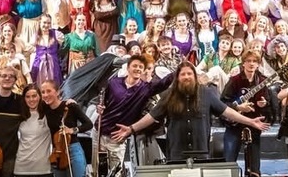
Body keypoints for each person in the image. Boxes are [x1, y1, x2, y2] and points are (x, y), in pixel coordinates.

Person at [114, 62, 268, 162]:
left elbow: (227, 111)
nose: (186, 77)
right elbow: (152, 116)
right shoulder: (168, 96)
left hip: (201, 153)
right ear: (178, 78)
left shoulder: (206, 93)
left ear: (194, 76)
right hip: (176, 155)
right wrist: (131, 128)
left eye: (189, 74)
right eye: (183, 74)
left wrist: (250, 121)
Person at [94, 55, 176, 177]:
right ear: (128, 67)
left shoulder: (145, 88)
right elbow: (102, 101)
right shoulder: (114, 83)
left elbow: (164, 83)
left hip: (119, 136)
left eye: (141, 67)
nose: (138, 69)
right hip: (99, 132)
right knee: (93, 176)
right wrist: (99, 107)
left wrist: (179, 69)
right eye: (135, 66)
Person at [220, 51, 274, 177]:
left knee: (255, 166)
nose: (251, 64)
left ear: (258, 64)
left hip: (254, 126)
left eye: (254, 61)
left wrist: (265, 105)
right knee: (229, 162)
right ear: (243, 63)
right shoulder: (235, 81)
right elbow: (222, 104)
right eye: (248, 61)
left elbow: (269, 110)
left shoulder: (262, 81)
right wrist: (238, 108)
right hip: (234, 127)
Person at [40, 80, 93, 177]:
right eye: (43, 92)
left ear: (57, 92)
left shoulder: (70, 106)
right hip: (57, 153)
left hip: (73, 150)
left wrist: (73, 130)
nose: (45, 95)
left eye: (49, 91)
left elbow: (89, 124)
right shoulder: (43, 108)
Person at [13, 84, 67, 177]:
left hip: (43, 164)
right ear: (24, 98)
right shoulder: (20, 116)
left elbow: (61, 107)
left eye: (34, 96)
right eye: (28, 96)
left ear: (39, 97)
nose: (31, 99)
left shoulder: (47, 114)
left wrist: (70, 103)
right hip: (22, 164)